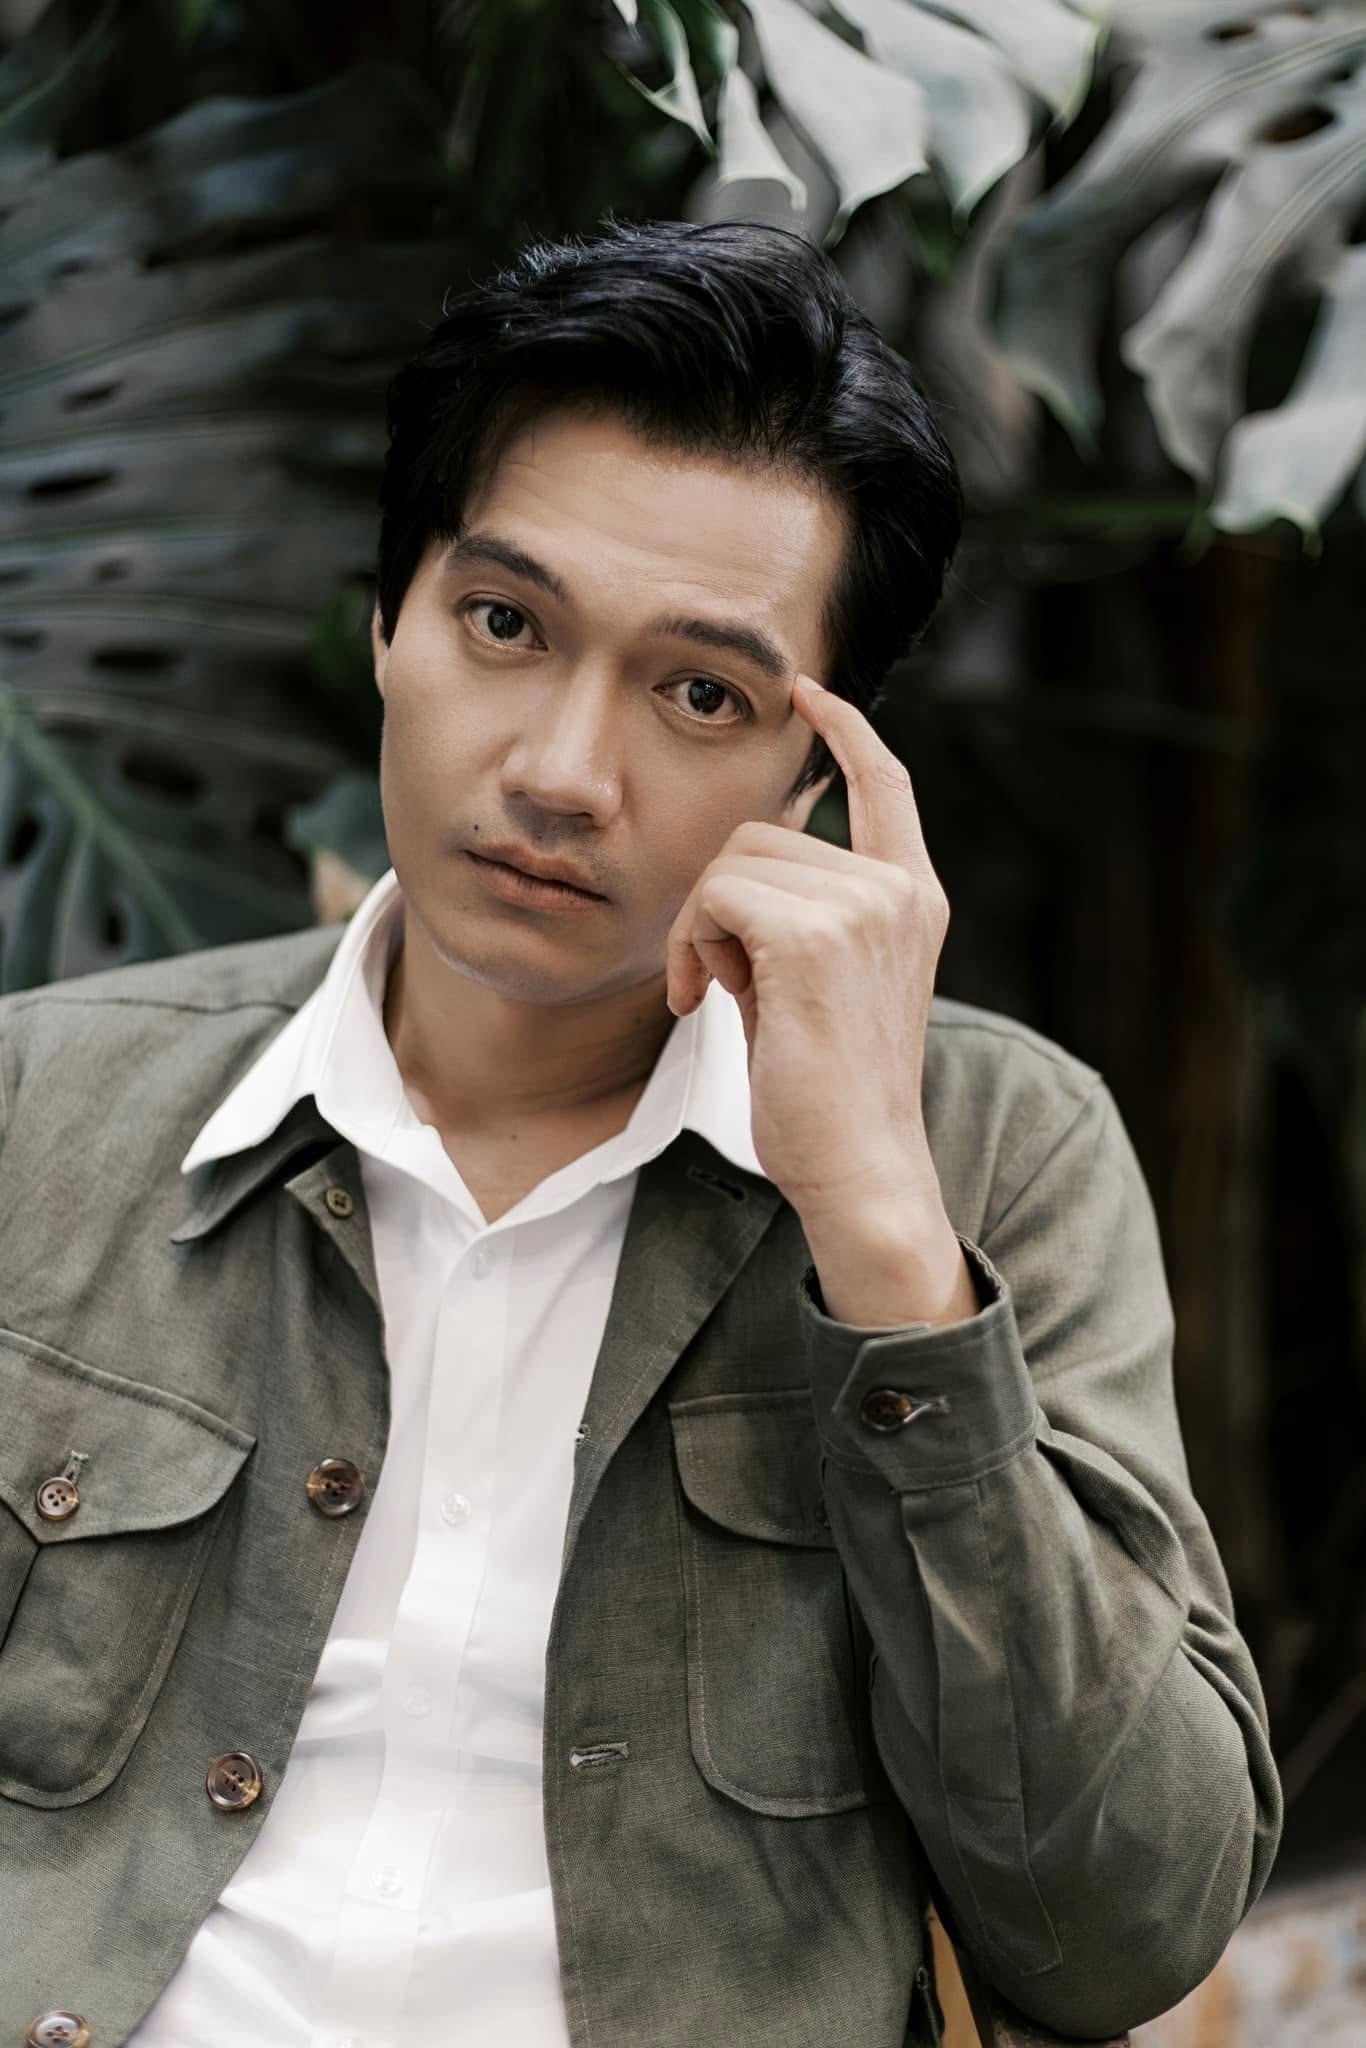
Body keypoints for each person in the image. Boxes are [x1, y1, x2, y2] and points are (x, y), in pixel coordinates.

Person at [0, 217, 1280, 2048]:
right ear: (389, 623)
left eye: (700, 693)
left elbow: (1121, 1926)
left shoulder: (997, 1153)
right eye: (503, 624)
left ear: (815, 777)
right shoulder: (41, 1106)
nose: (558, 773)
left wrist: (885, 1242)